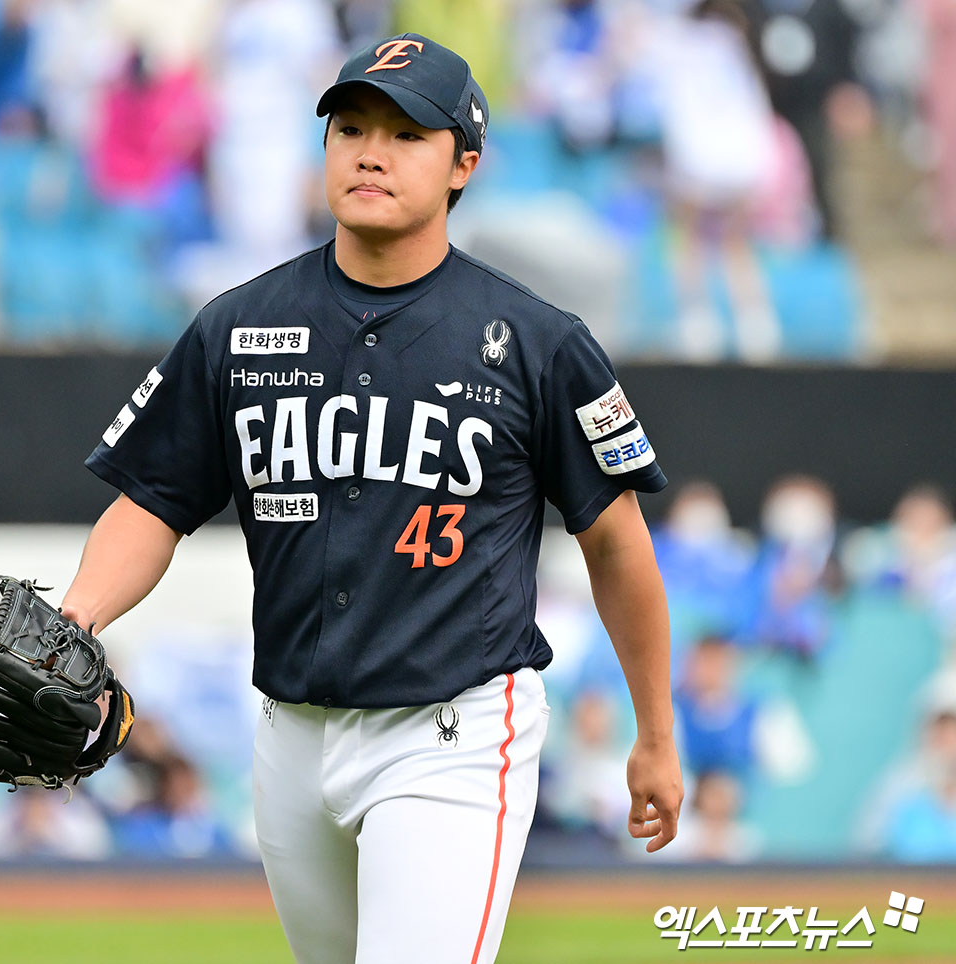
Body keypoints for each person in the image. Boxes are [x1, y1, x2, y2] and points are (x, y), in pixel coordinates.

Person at [61, 33, 683, 963]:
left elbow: (617, 543)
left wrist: (656, 733)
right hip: (288, 737)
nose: (370, 153)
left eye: (406, 134)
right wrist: (76, 619)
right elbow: (153, 503)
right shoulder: (237, 326)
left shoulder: (537, 342)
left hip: (451, 732)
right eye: (350, 128)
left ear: (464, 163)